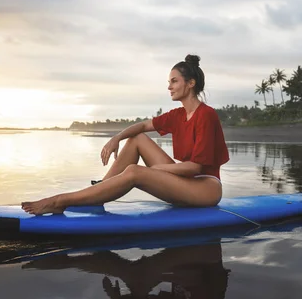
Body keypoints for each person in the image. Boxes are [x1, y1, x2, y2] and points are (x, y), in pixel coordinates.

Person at [21, 54, 230, 215]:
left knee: (135, 172)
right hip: (187, 181)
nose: (169, 86)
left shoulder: (206, 115)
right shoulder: (178, 115)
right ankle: (99, 192)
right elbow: (141, 127)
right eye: (169, 82)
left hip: (205, 188)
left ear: (191, 83)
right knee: (136, 139)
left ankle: (60, 201)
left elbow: (195, 167)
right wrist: (116, 138)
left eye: (174, 81)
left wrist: (157, 170)